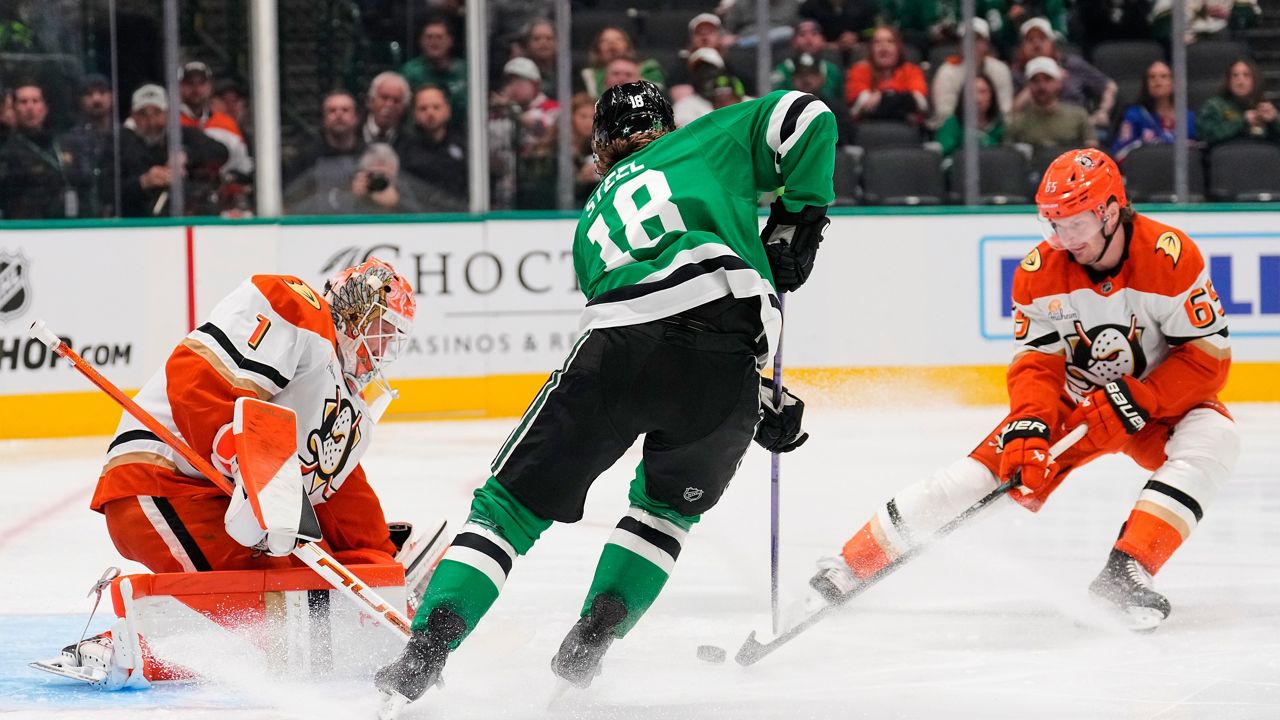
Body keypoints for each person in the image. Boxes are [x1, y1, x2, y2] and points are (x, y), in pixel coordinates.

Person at [373, 80, 835, 711]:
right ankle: (593, 637)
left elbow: (653, 317)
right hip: (726, 369)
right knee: (665, 514)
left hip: (620, 347)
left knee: (506, 511)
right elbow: (807, 114)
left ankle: (423, 654)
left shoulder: (590, 221)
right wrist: (798, 221)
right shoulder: (705, 141)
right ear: (669, 126)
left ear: (600, 148)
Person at [804, 148, 1236, 634]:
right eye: (1055, 225)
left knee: (1215, 439)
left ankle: (1126, 573)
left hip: (1155, 405)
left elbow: (1208, 359)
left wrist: (1145, 397)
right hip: (1071, 405)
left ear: (1111, 211)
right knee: (970, 480)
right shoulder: (1038, 272)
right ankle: (849, 565)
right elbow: (1037, 363)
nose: (1065, 239)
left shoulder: (1169, 256)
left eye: (1076, 224)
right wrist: (1031, 420)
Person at [42, 257, 421, 686]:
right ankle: (130, 645)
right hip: (163, 481)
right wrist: (240, 457)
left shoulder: (349, 406)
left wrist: (383, 567)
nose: (383, 350)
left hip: (221, 504)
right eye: (383, 331)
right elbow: (194, 378)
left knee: (308, 591)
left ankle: (151, 639)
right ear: (358, 311)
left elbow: (340, 496)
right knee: (281, 605)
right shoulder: (295, 307)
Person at [118, 84, 228, 217]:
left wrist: (186, 156)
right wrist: (144, 181)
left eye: (157, 113)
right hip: (137, 220)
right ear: (133, 116)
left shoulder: (182, 134)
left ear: (168, 114)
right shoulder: (121, 143)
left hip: (188, 215)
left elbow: (221, 151)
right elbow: (108, 189)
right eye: (143, 114)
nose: (151, 122)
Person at [1012, 18, 1117, 132]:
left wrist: (1103, 111)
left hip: (1079, 128)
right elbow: (1013, 112)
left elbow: (1109, 86)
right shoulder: (1017, 73)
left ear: (1052, 43)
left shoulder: (1072, 64)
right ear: (1022, 46)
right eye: (1030, 40)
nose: (1036, 45)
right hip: (1035, 132)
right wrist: (1039, 82)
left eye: (1042, 38)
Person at [0, 81, 76, 219]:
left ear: (45, 108)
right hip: (22, 224)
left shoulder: (60, 143)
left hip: (61, 221)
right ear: (13, 109)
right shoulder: (6, 149)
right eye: (23, 102)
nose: (30, 107)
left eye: (35, 101)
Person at [283, 90, 366, 214]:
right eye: (332, 111)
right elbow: (289, 201)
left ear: (356, 118)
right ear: (324, 119)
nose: (339, 115)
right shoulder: (305, 158)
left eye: (345, 110)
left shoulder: (368, 156)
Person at [929, 18, 1014, 129]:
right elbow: (944, 114)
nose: (973, 44)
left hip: (992, 131)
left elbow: (1005, 111)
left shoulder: (1000, 69)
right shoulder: (947, 72)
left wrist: (988, 131)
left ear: (987, 44)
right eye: (967, 39)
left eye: (978, 39)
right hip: (956, 131)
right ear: (959, 45)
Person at [398, 85, 468, 211]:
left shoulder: (465, 146)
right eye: (423, 108)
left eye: (436, 107)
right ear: (414, 114)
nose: (430, 113)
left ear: (448, 111)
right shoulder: (404, 148)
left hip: (459, 216)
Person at [179, 61, 253, 179]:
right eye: (190, 83)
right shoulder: (170, 122)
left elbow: (243, 166)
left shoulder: (226, 123)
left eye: (201, 83)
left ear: (210, 87)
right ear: (179, 87)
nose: (196, 89)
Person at [1112, 61, 1197, 162]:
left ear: (1173, 83)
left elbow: (1195, 151)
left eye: (1164, 76)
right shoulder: (1134, 115)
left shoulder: (1187, 117)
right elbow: (1120, 152)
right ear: (1146, 84)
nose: (1157, 80)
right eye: (1152, 77)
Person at [1005, 56, 1098, 148]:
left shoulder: (1078, 116)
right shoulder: (1018, 122)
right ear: (1027, 85)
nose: (1042, 86)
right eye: (1035, 80)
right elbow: (1009, 153)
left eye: (1048, 79)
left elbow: (1092, 150)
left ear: (1059, 83)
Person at [845, 25, 929, 125]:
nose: (884, 47)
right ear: (870, 49)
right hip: (868, 126)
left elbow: (920, 103)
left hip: (906, 127)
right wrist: (901, 98)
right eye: (877, 42)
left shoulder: (911, 70)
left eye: (890, 42)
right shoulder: (859, 70)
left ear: (898, 48)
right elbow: (861, 105)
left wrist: (882, 96)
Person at [59, 73, 117, 217]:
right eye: (89, 94)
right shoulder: (69, 140)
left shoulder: (123, 136)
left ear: (112, 97)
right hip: (84, 215)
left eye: (102, 93)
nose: (96, 99)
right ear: (80, 100)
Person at [401, 17, 468, 131]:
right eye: (429, 37)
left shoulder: (465, 70)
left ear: (450, 41)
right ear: (421, 41)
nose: (434, 42)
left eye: (439, 37)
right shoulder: (410, 72)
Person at [1198, 58, 1280, 147]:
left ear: (1255, 80)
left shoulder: (1264, 107)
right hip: (1227, 153)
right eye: (1235, 76)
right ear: (1229, 81)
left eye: (1246, 75)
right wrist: (1242, 121)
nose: (1240, 81)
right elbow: (1206, 135)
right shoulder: (1215, 105)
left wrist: (1274, 120)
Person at [579, 26, 666, 98]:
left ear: (628, 46)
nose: (612, 44)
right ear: (598, 50)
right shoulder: (589, 76)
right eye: (605, 41)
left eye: (619, 39)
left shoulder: (648, 69)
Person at [771, 19, 845, 102]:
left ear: (823, 40)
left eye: (814, 34)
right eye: (802, 34)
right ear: (793, 41)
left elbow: (840, 101)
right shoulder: (782, 71)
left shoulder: (832, 70)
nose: (808, 39)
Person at [937, 74, 1005, 156]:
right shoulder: (952, 125)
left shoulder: (1000, 126)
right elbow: (945, 154)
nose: (977, 98)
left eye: (983, 92)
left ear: (992, 96)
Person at [364, 72, 411, 146]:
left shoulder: (411, 142)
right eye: (384, 98)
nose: (389, 105)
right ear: (371, 100)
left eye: (396, 101)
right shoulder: (353, 133)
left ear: (403, 107)